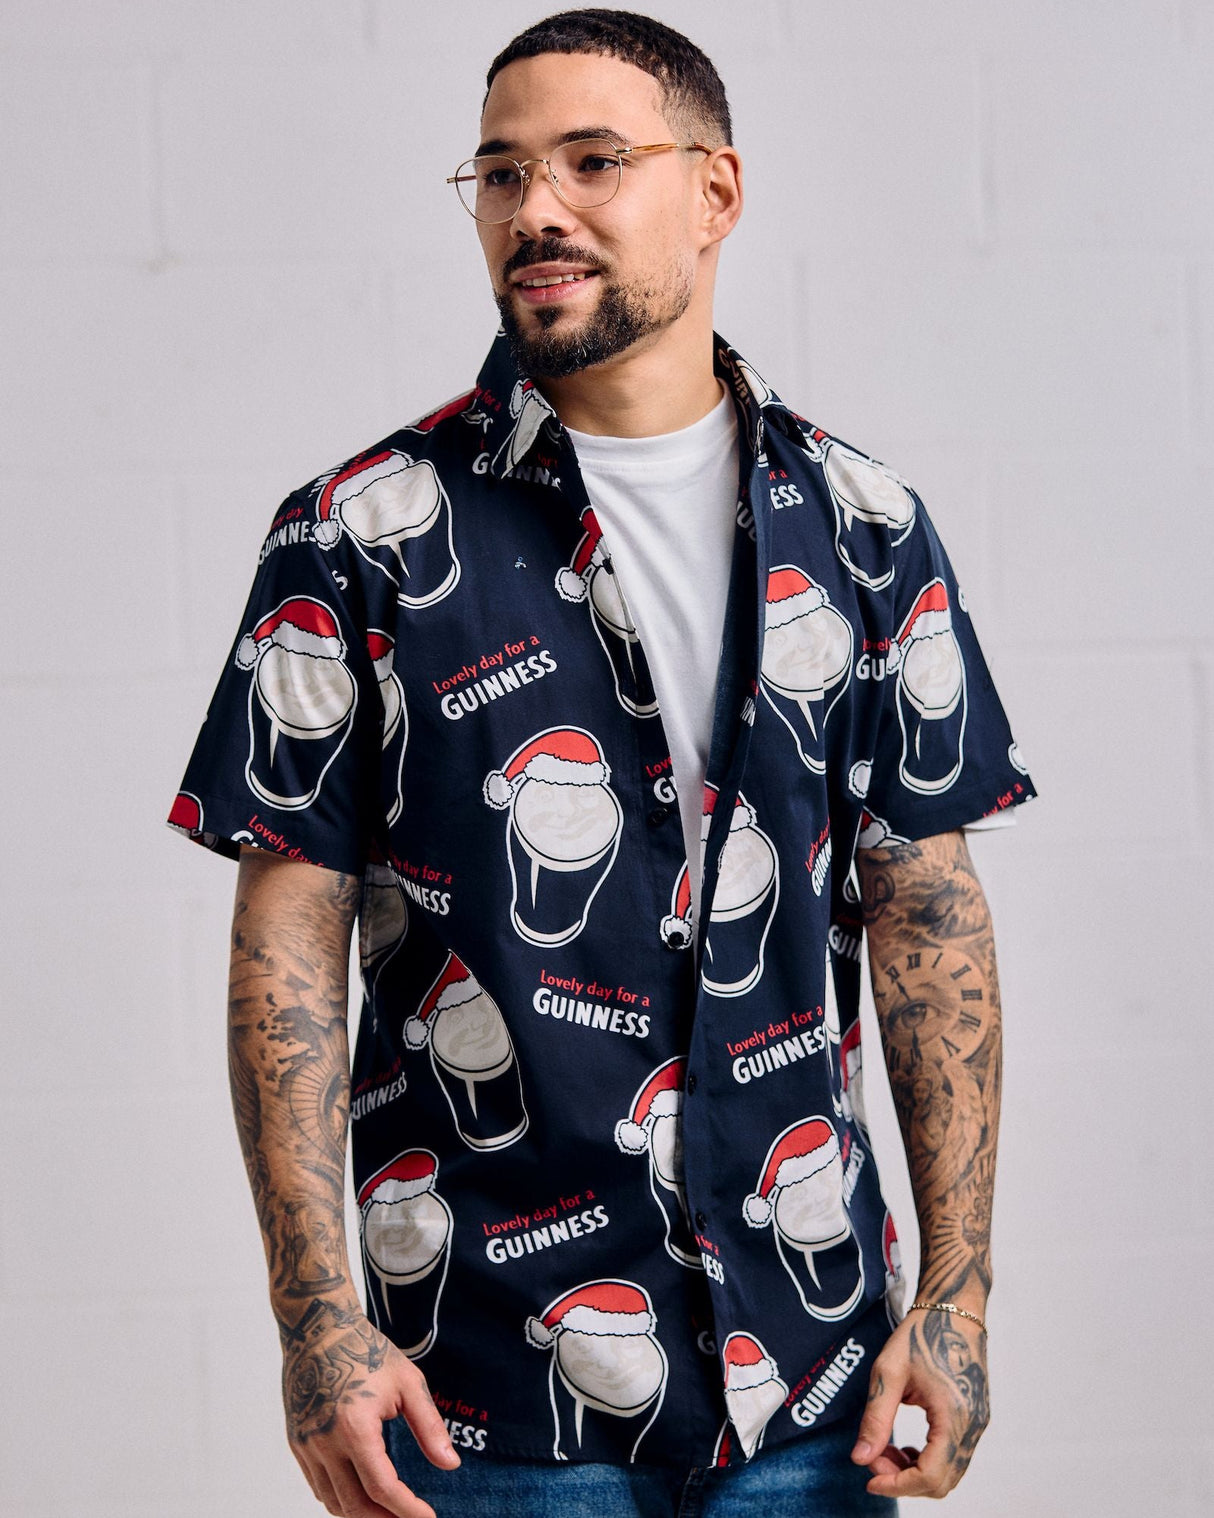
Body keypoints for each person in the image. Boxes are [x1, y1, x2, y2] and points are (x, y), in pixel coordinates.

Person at [169, 11, 1035, 1516]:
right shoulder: (356, 535)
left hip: (811, 1375)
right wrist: (316, 1326)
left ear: (716, 193)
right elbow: (289, 936)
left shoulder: (865, 526)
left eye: (590, 161)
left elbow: (926, 911)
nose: (535, 210)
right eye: (499, 174)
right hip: (480, 1390)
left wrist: (951, 1302)